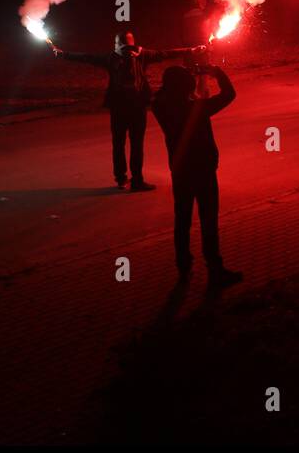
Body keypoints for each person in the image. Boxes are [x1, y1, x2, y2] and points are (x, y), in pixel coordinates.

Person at [53, 32, 202, 190]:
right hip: (132, 107)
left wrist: (64, 55)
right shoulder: (140, 55)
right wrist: (192, 50)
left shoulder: (114, 57)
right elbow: (166, 54)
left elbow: (87, 57)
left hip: (123, 107)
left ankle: (123, 179)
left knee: (120, 144)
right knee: (133, 144)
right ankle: (134, 180)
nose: (128, 52)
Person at [151, 64, 242, 287]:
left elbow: (164, 92)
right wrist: (217, 73)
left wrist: (188, 79)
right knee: (208, 220)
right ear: (185, 87)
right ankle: (215, 267)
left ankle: (183, 265)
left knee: (182, 219)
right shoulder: (196, 108)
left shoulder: (160, 106)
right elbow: (229, 94)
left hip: (180, 169)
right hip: (202, 170)